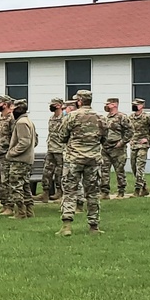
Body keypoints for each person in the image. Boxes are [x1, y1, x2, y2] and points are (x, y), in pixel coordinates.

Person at [56, 89, 107, 236]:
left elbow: (62, 136)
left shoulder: (72, 117)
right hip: (93, 160)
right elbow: (104, 138)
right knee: (93, 193)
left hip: (74, 159)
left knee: (70, 191)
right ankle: (94, 226)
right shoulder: (100, 118)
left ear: (79, 101)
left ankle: (66, 226)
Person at [6, 99, 38, 218]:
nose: (11, 111)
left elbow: (24, 142)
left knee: (15, 185)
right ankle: (29, 211)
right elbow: (35, 141)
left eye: (13, 109)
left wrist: (12, 153)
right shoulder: (28, 121)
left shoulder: (21, 123)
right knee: (25, 186)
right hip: (27, 159)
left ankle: (20, 212)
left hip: (19, 160)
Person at [100, 98, 132, 200]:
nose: (106, 106)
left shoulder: (122, 117)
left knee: (119, 171)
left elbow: (130, 131)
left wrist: (122, 142)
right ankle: (105, 192)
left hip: (118, 149)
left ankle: (121, 191)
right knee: (104, 170)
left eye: (108, 104)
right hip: (105, 148)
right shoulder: (106, 118)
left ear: (114, 105)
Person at [128, 97, 150, 197]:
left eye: (136, 104)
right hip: (134, 145)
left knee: (140, 167)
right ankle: (144, 187)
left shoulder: (147, 117)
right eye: (133, 104)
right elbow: (128, 129)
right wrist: (130, 139)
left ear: (142, 106)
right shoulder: (131, 117)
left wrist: (148, 139)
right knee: (134, 167)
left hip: (143, 146)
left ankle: (137, 190)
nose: (134, 106)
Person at [0, 95, 15, 215]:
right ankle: (4, 203)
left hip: (6, 154)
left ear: (5, 104)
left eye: (0, 103)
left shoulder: (12, 119)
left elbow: (14, 137)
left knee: (6, 180)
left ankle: (10, 206)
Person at [39, 97, 66, 203]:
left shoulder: (65, 118)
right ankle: (45, 193)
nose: (51, 106)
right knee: (46, 172)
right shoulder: (51, 118)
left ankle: (60, 193)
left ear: (59, 105)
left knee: (60, 173)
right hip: (51, 149)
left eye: (53, 104)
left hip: (60, 150)